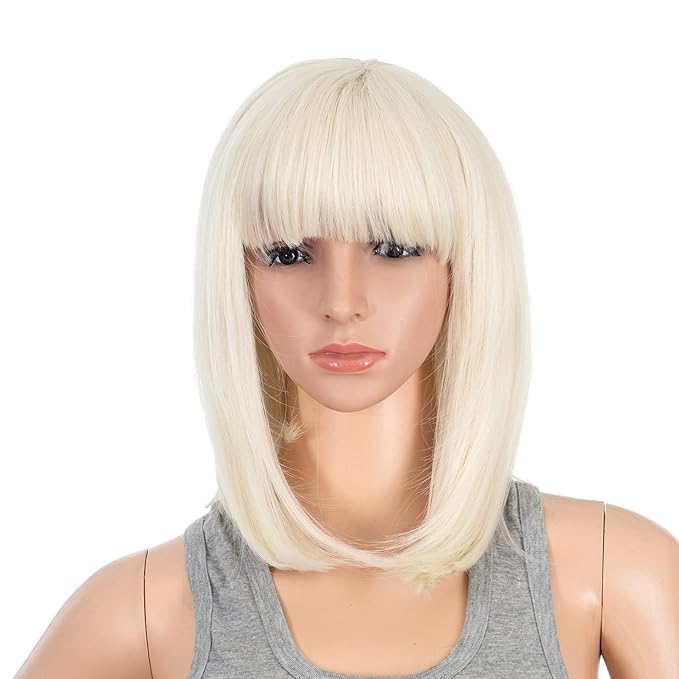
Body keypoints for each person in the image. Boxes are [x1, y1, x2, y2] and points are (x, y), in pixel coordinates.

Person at [15, 58, 679, 679]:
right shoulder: (143, 610)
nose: (340, 302)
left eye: (393, 247)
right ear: (238, 278)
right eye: (287, 254)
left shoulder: (607, 570)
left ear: (464, 266)